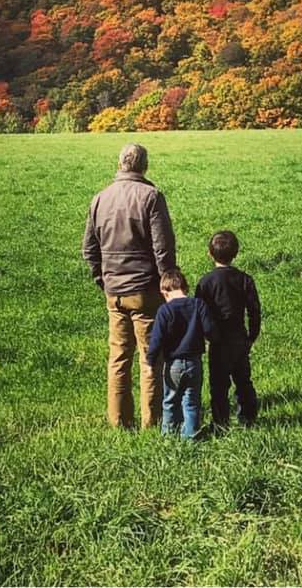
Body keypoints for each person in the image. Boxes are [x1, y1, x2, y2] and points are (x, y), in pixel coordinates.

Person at [82, 143, 176, 429]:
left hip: (114, 292)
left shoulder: (100, 198)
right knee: (151, 358)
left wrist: (104, 280)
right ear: (144, 166)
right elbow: (163, 249)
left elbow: (89, 249)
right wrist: (167, 284)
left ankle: (120, 422)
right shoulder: (151, 196)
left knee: (118, 359)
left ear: (121, 164)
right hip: (146, 290)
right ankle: (153, 422)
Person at [195, 230, 261, 429]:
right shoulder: (245, 279)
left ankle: (220, 421)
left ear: (209, 253)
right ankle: (248, 418)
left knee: (219, 385)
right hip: (239, 338)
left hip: (217, 340)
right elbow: (254, 311)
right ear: (236, 253)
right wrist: (252, 336)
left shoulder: (205, 282)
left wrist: (205, 336)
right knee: (243, 381)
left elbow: (200, 312)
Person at [146, 268, 218, 439]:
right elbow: (210, 330)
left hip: (173, 364)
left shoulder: (165, 311)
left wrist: (150, 362)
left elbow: (156, 340)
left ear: (164, 292)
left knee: (170, 401)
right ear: (185, 288)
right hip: (194, 362)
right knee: (191, 401)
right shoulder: (198, 305)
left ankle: (168, 436)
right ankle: (191, 435)